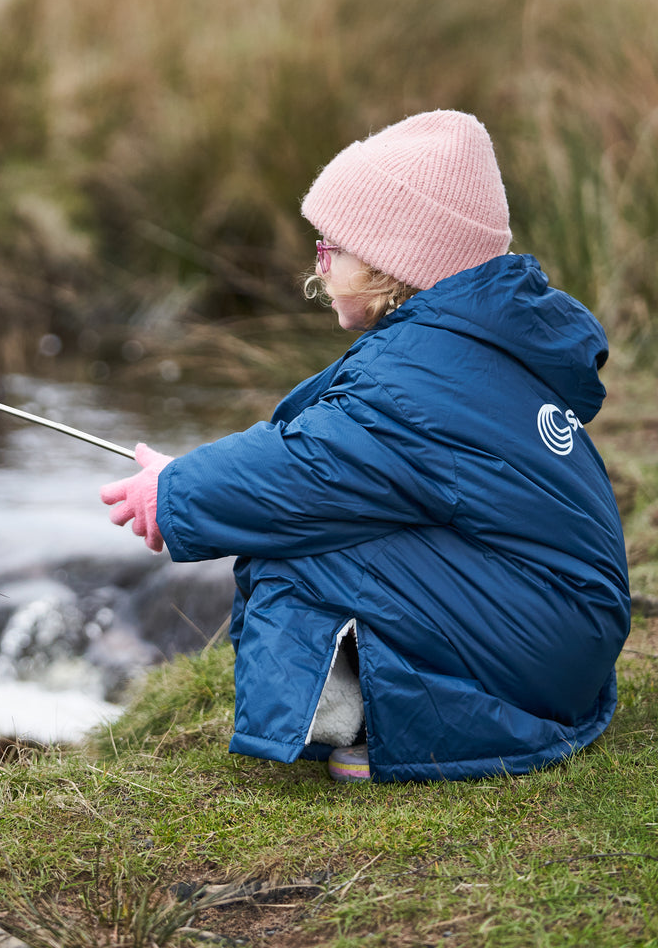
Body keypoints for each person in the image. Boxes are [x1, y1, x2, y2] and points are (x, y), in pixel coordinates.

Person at [100, 110, 631, 784]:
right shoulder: (463, 350)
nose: (319, 265)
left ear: (390, 263)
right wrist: (188, 476)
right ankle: (389, 697)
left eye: (333, 248)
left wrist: (175, 491)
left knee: (289, 540)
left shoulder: (418, 376)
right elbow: (334, 451)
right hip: (566, 636)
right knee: (320, 519)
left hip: (544, 648)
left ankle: (370, 718)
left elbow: (307, 472)